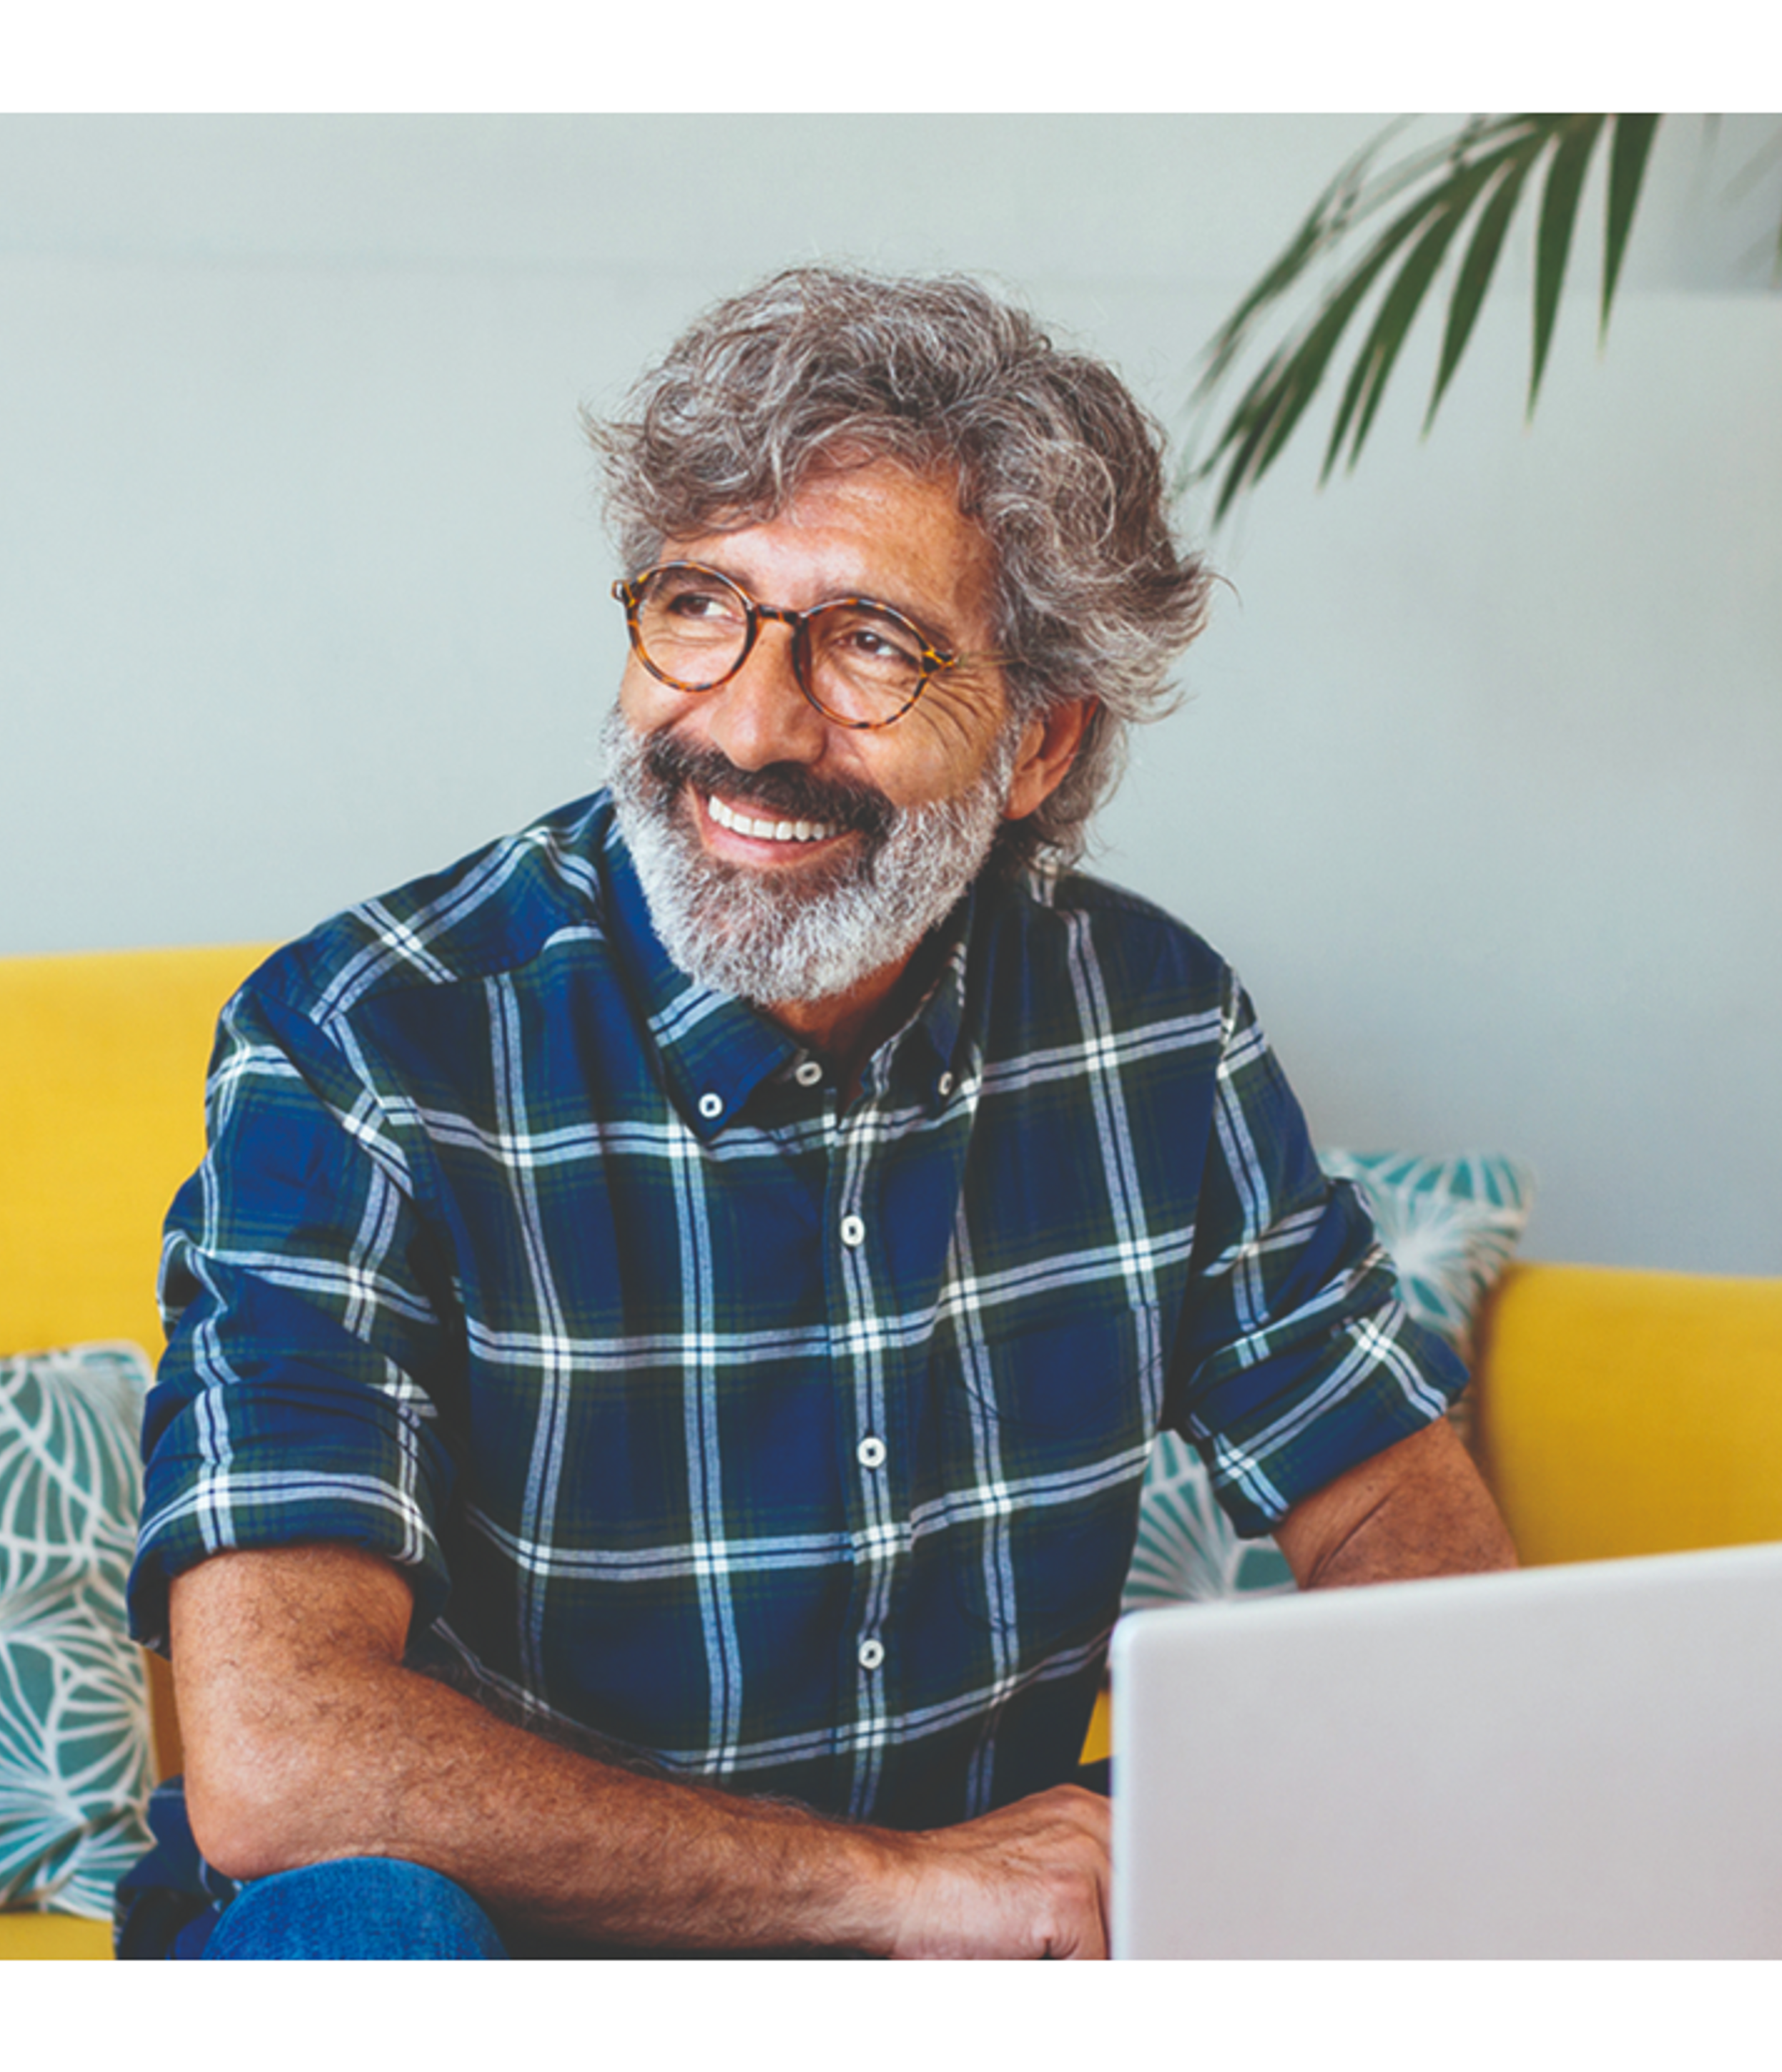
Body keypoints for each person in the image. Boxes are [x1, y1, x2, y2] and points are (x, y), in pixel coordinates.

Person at [117, 266, 1516, 1962]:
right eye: (701, 606)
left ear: (1034, 742)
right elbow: (283, 1760)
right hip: (495, 1948)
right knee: (377, 1936)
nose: (751, 724)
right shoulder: (360, 1045)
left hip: (964, 1959)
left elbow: (1396, 1521)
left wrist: (1156, 1843)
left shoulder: (1156, 1032)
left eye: (871, 642)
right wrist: (895, 1885)